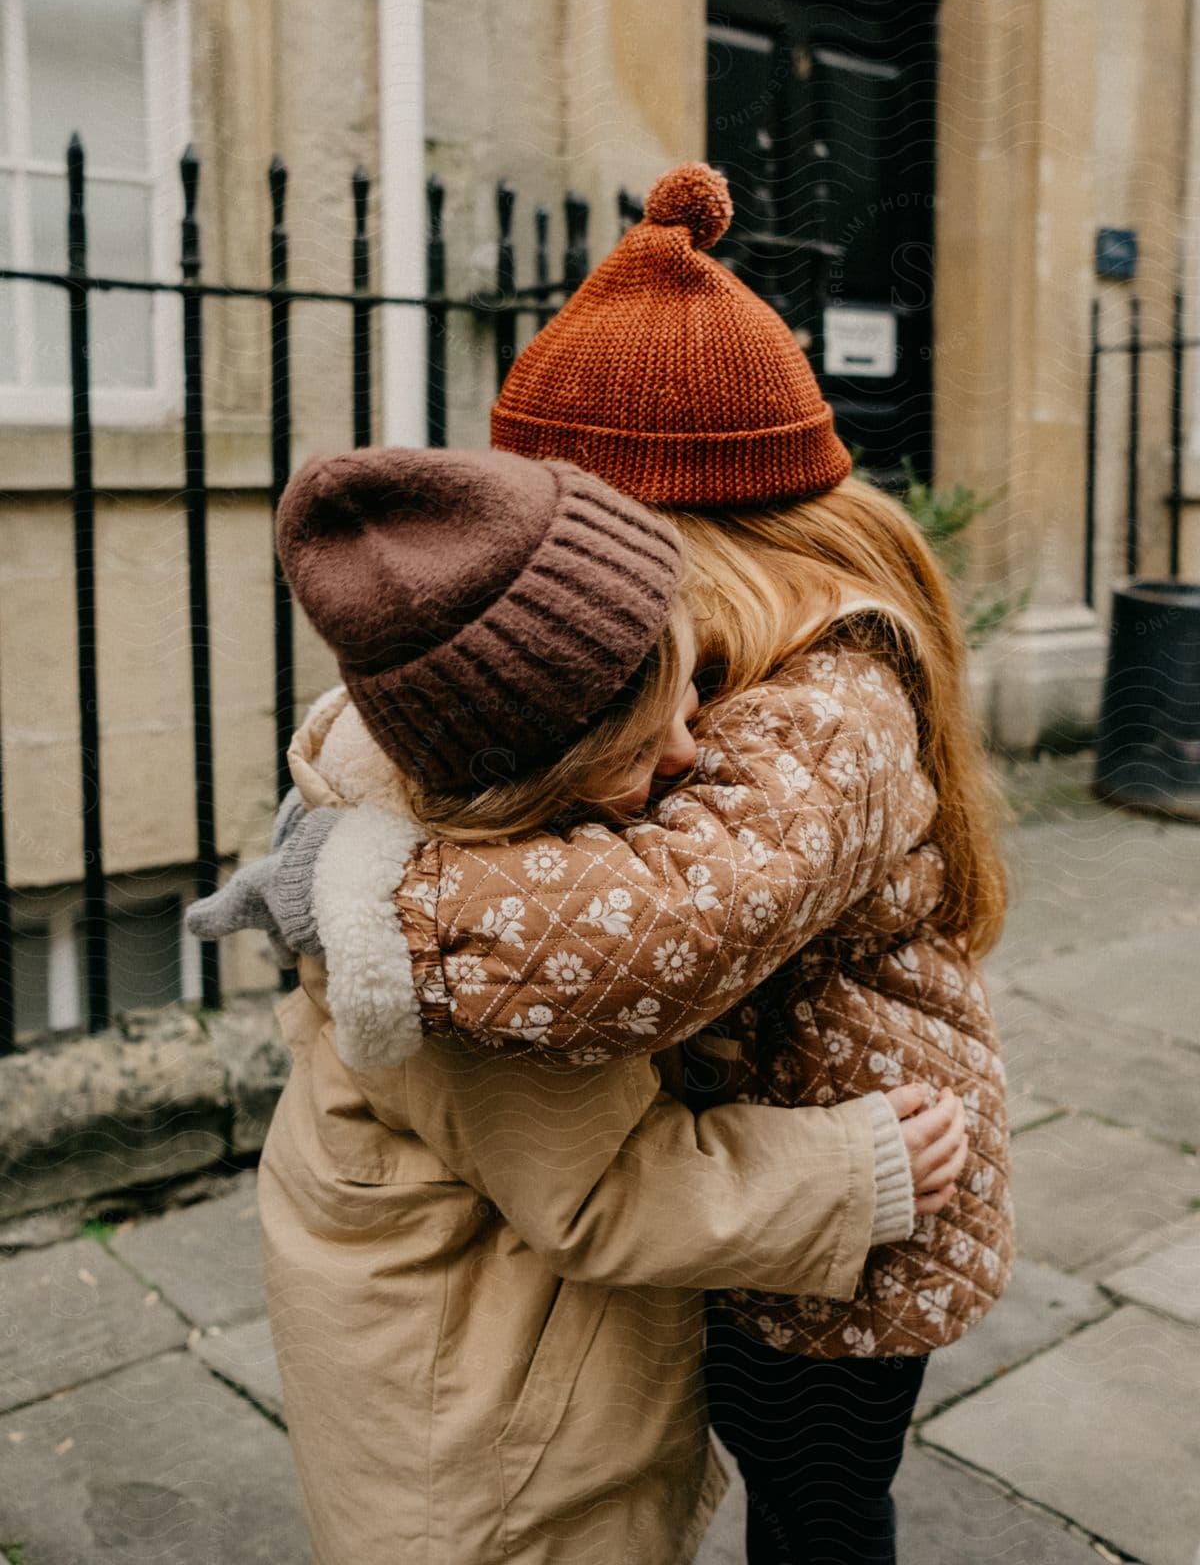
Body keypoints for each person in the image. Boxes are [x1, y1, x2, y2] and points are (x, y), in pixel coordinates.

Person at [193, 162, 1010, 1563]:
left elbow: (667, 918)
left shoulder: (825, 687)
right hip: (756, 1188)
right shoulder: (650, 680)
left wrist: (371, 897)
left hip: (869, 1203)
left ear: (674, 519)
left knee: (819, 1512)